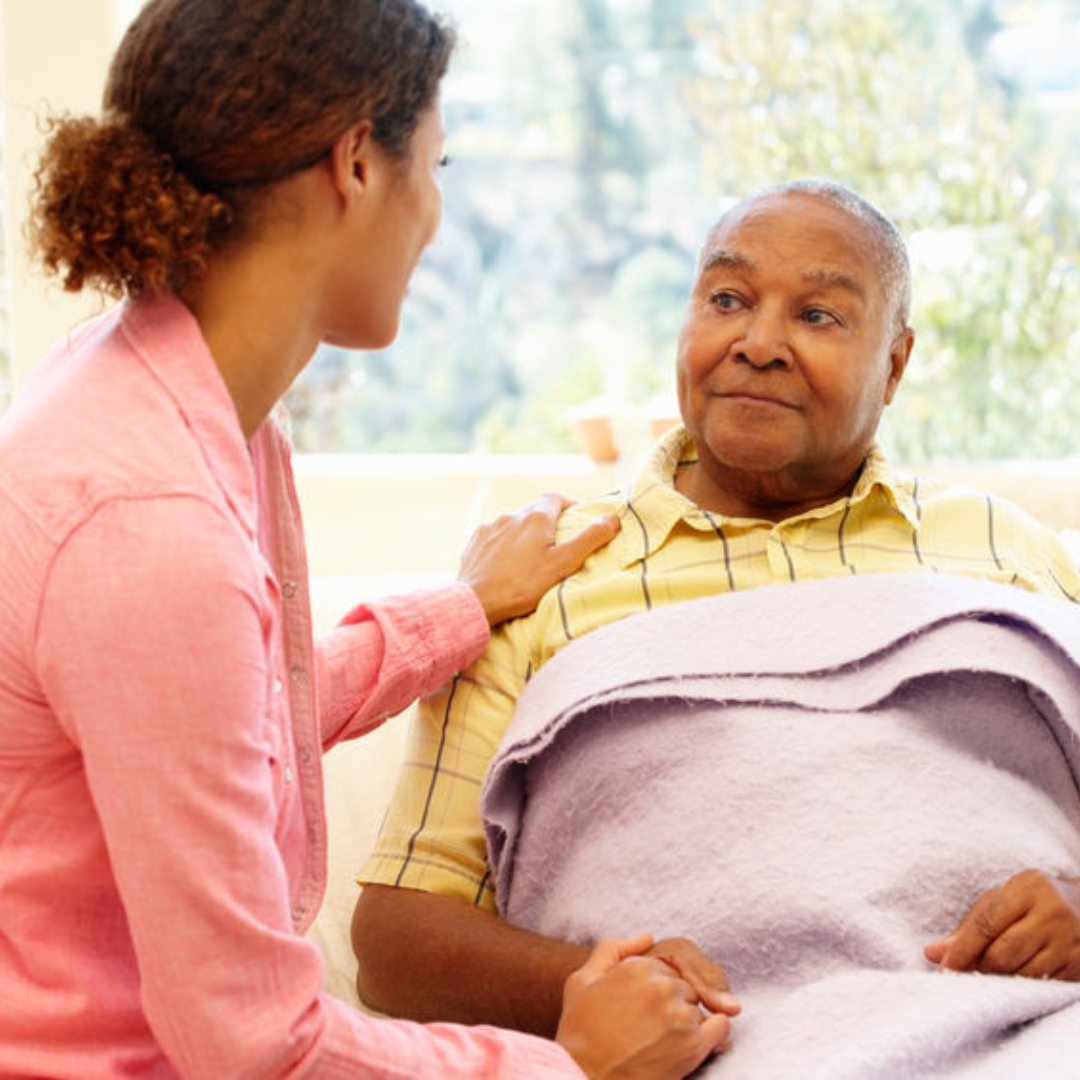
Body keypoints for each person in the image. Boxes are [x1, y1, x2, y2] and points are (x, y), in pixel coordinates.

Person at [0, 1, 734, 1077]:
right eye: (433, 163)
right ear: (355, 163)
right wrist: (572, 1066)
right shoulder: (148, 523)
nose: (435, 213)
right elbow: (257, 1047)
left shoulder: (164, 393)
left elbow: (227, 711)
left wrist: (460, 610)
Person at [352, 178, 1080, 1037]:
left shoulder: (1008, 551)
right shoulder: (540, 577)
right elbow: (396, 937)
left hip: (1017, 1033)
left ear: (894, 364)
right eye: (727, 299)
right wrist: (591, 985)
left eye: (818, 316)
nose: (759, 343)